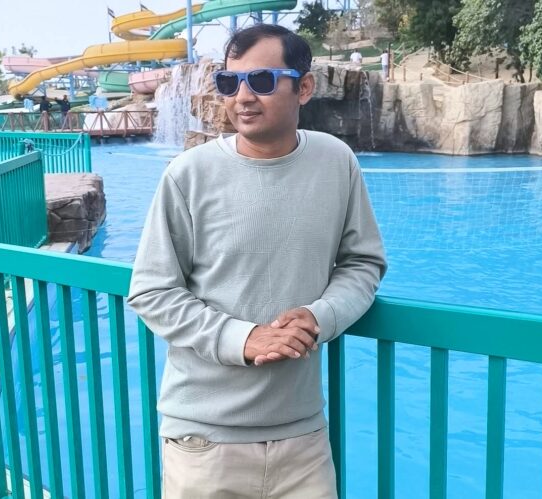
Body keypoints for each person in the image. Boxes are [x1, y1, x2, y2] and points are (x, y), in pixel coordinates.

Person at [128, 24, 386, 499]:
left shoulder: (337, 162)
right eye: (230, 82)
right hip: (203, 443)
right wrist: (242, 338)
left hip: (303, 440)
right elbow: (152, 291)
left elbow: (362, 263)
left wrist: (320, 316)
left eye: (262, 81)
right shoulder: (188, 174)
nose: (243, 96)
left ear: (304, 88)